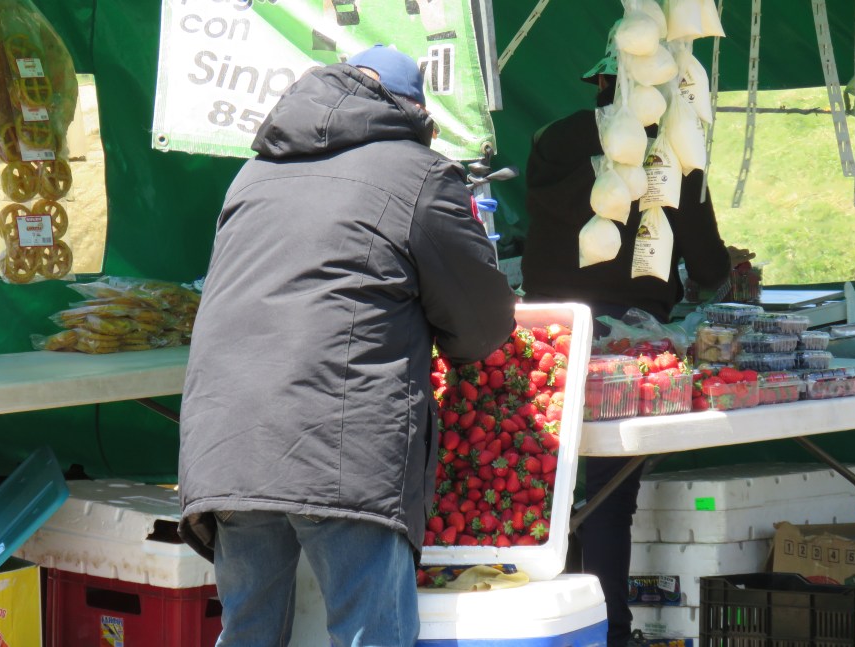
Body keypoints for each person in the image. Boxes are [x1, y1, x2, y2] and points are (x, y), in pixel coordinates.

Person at [178, 44, 517, 647]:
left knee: (247, 631)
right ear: (413, 110)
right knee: (371, 635)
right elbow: (481, 319)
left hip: (228, 439)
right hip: (340, 443)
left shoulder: (251, 174)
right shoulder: (417, 171)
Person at [520, 38, 754, 647]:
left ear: (602, 84)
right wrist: (721, 274)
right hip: (624, 348)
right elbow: (704, 262)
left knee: (544, 488)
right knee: (607, 496)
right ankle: (607, 634)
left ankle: (544, 623)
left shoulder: (551, 140)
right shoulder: (673, 149)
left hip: (547, 337)